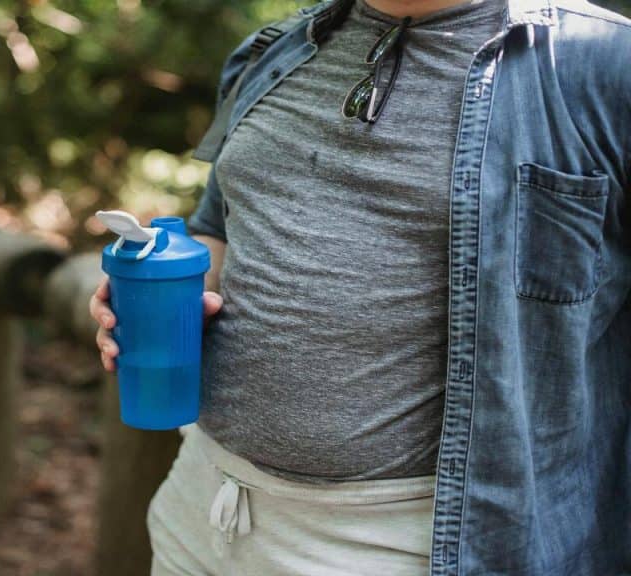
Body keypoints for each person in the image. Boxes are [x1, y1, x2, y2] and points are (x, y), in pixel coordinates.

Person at [89, 0, 631, 574]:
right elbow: (216, 228)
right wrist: (158, 289)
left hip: (416, 543)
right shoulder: (274, 48)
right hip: (199, 506)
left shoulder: (603, 63)